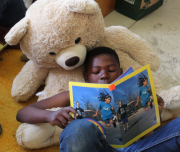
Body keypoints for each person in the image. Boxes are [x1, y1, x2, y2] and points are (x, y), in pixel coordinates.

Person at [16, 47, 180, 152]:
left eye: (111, 69)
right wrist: (51, 116)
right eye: (96, 71)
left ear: (121, 71)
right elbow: (23, 113)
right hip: (100, 148)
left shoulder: (134, 91)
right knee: (78, 127)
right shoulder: (72, 94)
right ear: (87, 76)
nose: (104, 75)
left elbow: (150, 135)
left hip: (141, 147)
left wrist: (152, 111)